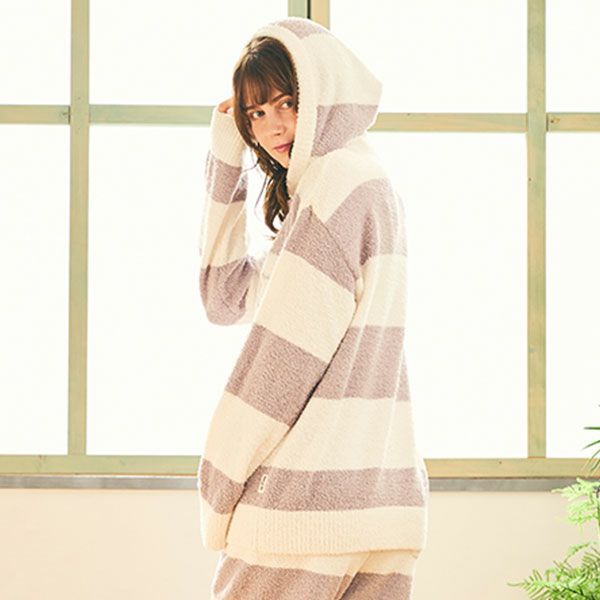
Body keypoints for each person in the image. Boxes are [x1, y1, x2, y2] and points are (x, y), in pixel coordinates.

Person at [197, 15, 429, 600]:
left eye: (287, 102)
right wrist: (227, 153)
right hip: (382, 501)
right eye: (255, 113)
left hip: (304, 507)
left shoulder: (333, 189)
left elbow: (283, 362)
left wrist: (218, 482)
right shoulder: (367, 183)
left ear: (324, 92)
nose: (272, 126)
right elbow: (225, 298)